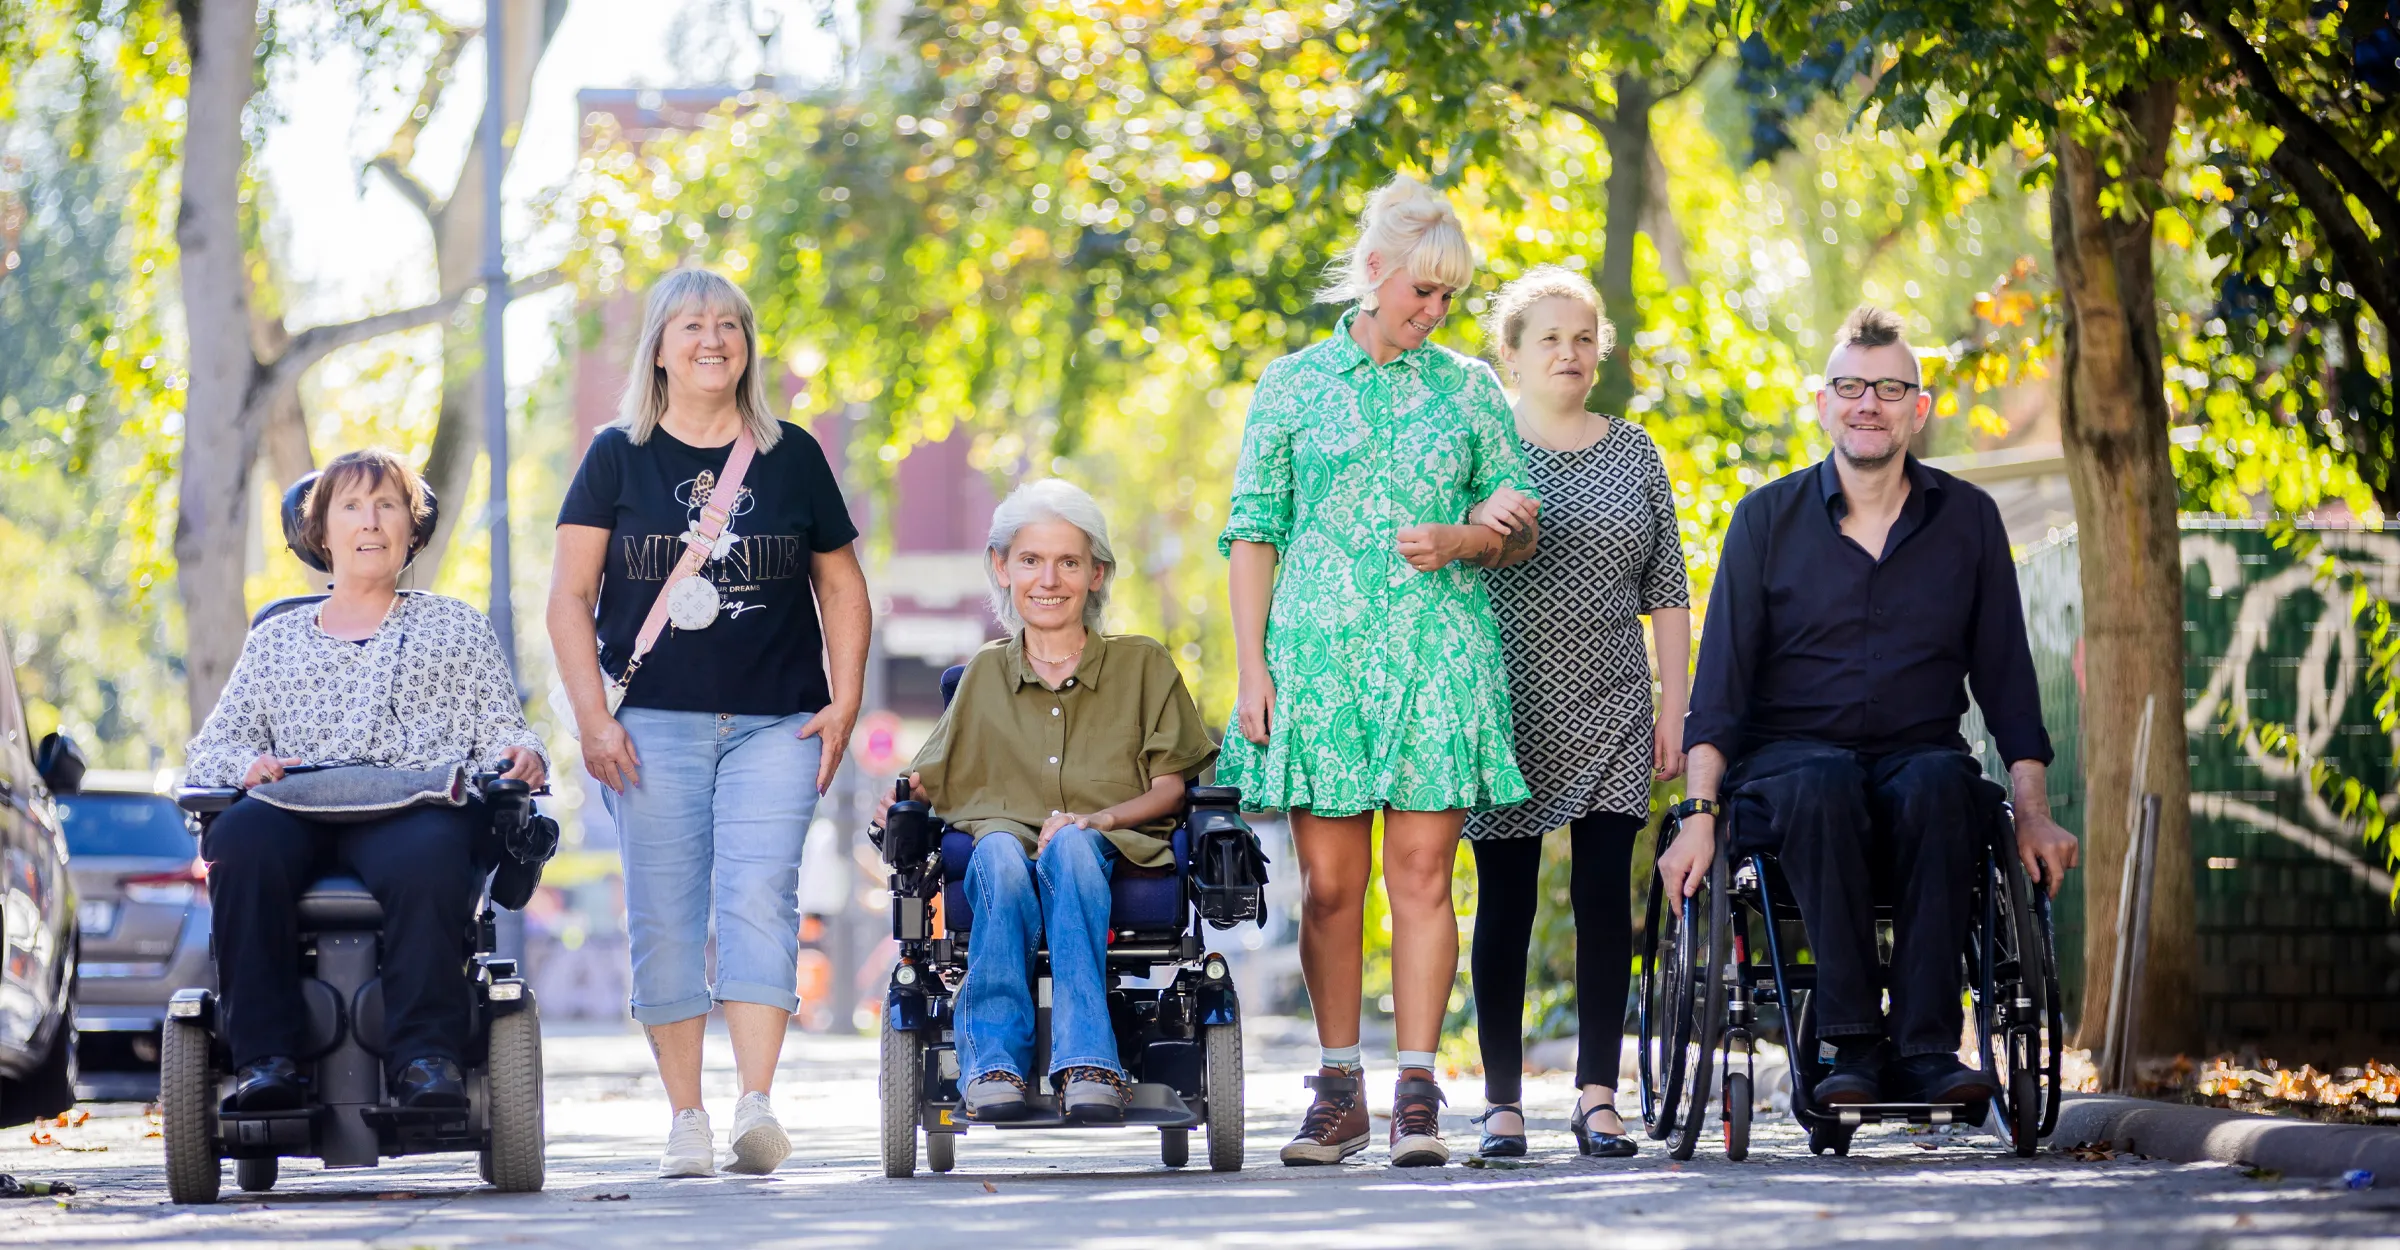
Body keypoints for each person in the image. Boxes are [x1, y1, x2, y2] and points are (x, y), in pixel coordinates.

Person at [1656, 305, 2081, 1108]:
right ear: (1823, 404)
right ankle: (1848, 1043)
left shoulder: (1969, 523)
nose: (1868, 403)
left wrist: (2032, 811)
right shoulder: (1766, 520)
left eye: (1890, 388)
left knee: (1942, 788)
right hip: (1790, 766)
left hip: (1920, 756)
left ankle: (1926, 1050)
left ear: (1918, 410)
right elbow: (1720, 691)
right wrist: (1701, 814)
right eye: (1850, 385)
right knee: (1823, 783)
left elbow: (2008, 683)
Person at [1219, 174, 1541, 1169]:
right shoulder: (1290, 385)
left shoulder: (1471, 390)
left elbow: (1514, 518)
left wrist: (1473, 534)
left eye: (1448, 298)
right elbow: (1252, 532)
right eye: (1421, 292)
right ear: (1374, 272)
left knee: (1423, 878)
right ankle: (1337, 1088)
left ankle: (1415, 1092)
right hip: (1315, 666)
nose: (1435, 312)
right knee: (1326, 885)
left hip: (1436, 661)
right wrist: (1251, 670)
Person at [547, 268, 872, 1178]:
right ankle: (686, 1116)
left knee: (760, 893)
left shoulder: (792, 455)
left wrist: (842, 701)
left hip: (776, 722)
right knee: (665, 915)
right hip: (651, 725)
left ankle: (756, 1106)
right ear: (658, 345)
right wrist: (591, 720)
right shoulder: (617, 456)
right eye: (692, 324)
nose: (713, 339)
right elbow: (569, 599)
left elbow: (842, 586)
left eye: (729, 325)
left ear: (748, 346)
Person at [186, 448, 549, 1115]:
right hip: (298, 803)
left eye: (388, 506)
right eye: (351, 506)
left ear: (413, 530)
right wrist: (247, 766)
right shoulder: (277, 638)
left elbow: (506, 729)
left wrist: (523, 756)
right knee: (241, 839)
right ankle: (268, 1060)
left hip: (413, 804)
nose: (371, 522)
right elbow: (213, 745)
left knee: (432, 854)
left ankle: (425, 1060)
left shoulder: (456, 628)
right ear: (321, 531)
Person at [872, 479, 1218, 1123]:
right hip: (1001, 841)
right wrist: (897, 801)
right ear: (1003, 569)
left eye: (1068, 561)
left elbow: (1173, 783)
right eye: (1030, 560)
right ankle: (994, 1062)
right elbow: (930, 774)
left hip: (1110, 843)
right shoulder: (982, 674)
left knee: (1076, 848)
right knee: (1000, 852)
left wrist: (1099, 818)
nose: (1048, 579)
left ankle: (1090, 1062)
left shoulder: (1143, 666)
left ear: (1097, 574)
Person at [1463, 266, 1690, 1159]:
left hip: (1610, 705)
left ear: (1601, 354)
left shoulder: (1635, 451)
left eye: (1584, 338)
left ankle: (1599, 1096)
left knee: (1605, 902)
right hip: (1504, 705)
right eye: (1550, 338)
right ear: (1510, 355)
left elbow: (1666, 588)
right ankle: (1502, 1104)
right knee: (1505, 905)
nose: (1570, 352)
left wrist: (1676, 704)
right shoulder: (1480, 445)